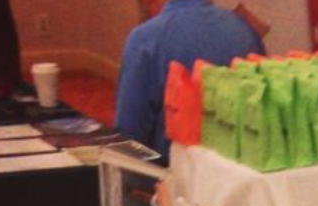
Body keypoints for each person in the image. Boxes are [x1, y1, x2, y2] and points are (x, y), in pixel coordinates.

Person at [114, 0, 268, 161]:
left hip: (173, 171)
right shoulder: (246, 32)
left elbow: (128, 140)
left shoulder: (146, 38)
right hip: (238, 169)